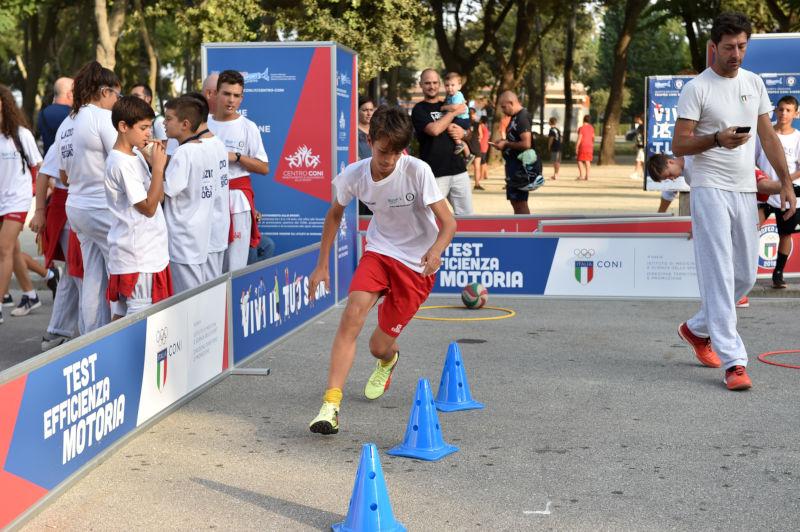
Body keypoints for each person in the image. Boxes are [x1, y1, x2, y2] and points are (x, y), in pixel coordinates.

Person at [307, 106, 456, 435]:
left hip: (417, 264)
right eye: (382, 151)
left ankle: (388, 360)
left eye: (397, 152)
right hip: (379, 251)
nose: (389, 159)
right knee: (352, 315)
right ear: (370, 141)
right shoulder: (355, 175)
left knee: (378, 345)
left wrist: (435, 250)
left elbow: (449, 222)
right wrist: (321, 266)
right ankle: (330, 405)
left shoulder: (417, 171)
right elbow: (333, 215)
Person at [672, 12, 796, 391]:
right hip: (709, 187)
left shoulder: (754, 83)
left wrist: (786, 183)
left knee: (744, 275)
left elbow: (769, 138)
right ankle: (735, 362)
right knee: (719, 275)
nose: (736, 54)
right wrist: (715, 140)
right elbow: (679, 144)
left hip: (745, 189)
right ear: (714, 47)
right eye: (729, 48)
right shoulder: (698, 88)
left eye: (742, 46)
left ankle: (696, 329)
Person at [62, 61, 121, 333]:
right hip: (102, 205)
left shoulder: (67, 122)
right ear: (104, 91)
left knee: (93, 276)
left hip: (76, 204)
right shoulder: (101, 117)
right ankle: (119, 332)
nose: (117, 102)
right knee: (120, 268)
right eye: (116, 95)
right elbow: (120, 158)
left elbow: (62, 174)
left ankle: (92, 336)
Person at [105, 96, 171, 318]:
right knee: (139, 316)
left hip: (145, 251)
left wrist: (154, 166)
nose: (148, 134)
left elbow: (158, 197)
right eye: (143, 128)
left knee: (124, 315)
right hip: (138, 256)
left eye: (150, 127)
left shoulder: (135, 155)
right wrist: (159, 169)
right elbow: (148, 208)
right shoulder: (121, 162)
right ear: (123, 126)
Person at [208, 70, 269, 272]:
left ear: (242, 98)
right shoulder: (204, 123)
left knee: (235, 266)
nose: (231, 100)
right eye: (226, 94)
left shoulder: (248, 127)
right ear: (215, 94)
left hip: (237, 201)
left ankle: (231, 304)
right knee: (209, 264)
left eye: (236, 95)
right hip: (207, 199)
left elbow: (264, 167)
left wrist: (237, 157)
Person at [30, 140, 84, 350]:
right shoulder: (68, 133)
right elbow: (45, 174)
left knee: (74, 273)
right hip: (71, 211)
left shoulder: (70, 130)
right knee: (81, 273)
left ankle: (58, 330)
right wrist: (40, 211)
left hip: (74, 210)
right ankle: (90, 332)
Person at [162, 96, 216, 294]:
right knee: (196, 295)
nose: (164, 123)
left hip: (182, 240)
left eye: (168, 119)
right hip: (198, 236)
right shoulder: (204, 148)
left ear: (185, 124)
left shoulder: (183, 153)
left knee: (187, 299)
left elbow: (167, 190)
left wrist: (155, 165)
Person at [0, 84, 43, 324]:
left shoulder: (20, 134)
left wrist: (38, 202)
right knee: (13, 250)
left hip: (18, 199)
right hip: (1, 199)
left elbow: (38, 166)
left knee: (3, 249)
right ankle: (30, 293)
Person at [411, 68, 473, 215]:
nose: (431, 86)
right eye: (427, 83)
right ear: (421, 84)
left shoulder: (449, 102)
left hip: (459, 170)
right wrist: (454, 113)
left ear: (439, 84)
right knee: (431, 218)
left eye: (434, 82)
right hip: (435, 173)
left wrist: (463, 133)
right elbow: (434, 130)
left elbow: (469, 133)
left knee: (467, 217)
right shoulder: (419, 109)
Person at [183, 91, 230, 282]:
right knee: (213, 286)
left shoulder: (199, 147)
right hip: (215, 229)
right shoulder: (216, 143)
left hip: (206, 232)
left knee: (207, 290)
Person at [754, 95, 800, 289]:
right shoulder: (763, 134)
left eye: (788, 110)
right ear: (775, 111)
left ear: (796, 114)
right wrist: (763, 181)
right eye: (780, 109)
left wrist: (785, 183)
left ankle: (778, 273)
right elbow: (752, 161)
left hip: (787, 194)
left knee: (785, 234)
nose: (783, 113)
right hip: (762, 192)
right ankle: (744, 273)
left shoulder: (798, 137)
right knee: (750, 230)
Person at [491, 91, 534, 215]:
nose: (503, 110)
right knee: (515, 202)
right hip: (513, 167)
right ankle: (521, 229)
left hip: (520, 169)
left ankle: (526, 232)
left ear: (511, 103)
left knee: (520, 203)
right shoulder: (514, 117)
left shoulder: (522, 117)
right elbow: (515, 139)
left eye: (504, 107)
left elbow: (526, 143)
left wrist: (506, 144)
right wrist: (504, 143)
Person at [37, 77, 73, 154]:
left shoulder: (43, 113)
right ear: (70, 94)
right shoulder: (74, 114)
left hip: (49, 161)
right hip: (69, 163)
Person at [441, 72, 471, 156]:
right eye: (447, 85)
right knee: (454, 133)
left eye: (452, 85)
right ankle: (468, 154)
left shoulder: (457, 95)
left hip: (462, 119)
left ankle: (459, 144)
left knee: (450, 127)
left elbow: (454, 107)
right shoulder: (449, 97)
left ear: (459, 86)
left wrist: (443, 108)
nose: (450, 88)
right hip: (458, 118)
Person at [356, 95, 375, 215]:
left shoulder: (377, 130)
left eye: (371, 110)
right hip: (361, 181)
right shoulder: (353, 132)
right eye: (364, 110)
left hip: (377, 180)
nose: (369, 113)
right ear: (357, 111)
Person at [576, 114, 594, 180]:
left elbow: (579, 138)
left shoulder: (581, 128)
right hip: (590, 146)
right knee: (587, 160)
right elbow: (593, 137)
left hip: (583, 146)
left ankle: (581, 175)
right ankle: (587, 176)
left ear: (583, 120)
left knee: (579, 160)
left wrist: (576, 147)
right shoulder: (592, 128)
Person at [467, 108, 482, 186]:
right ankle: (477, 184)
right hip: (476, 146)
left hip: (467, 146)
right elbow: (481, 135)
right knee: (477, 167)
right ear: (473, 114)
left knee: (465, 166)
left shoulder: (464, 123)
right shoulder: (477, 124)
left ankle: (465, 183)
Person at [630, 115, 645, 179]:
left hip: (642, 146)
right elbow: (639, 137)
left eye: (637, 119)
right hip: (641, 146)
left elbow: (643, 135)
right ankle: (642, 173)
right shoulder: (640, 126)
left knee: (639, 160)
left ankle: (637, 173)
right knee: (641, 160)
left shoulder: (642, 126)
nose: (636, 120)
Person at [477, 115, 490, 189]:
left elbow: (480, 135)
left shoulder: (480, 125)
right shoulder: (486, 126)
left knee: (482, 160)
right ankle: (485, 174)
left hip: (481, 144)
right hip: (485, 144)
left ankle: (481, 176)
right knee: (484, 159)